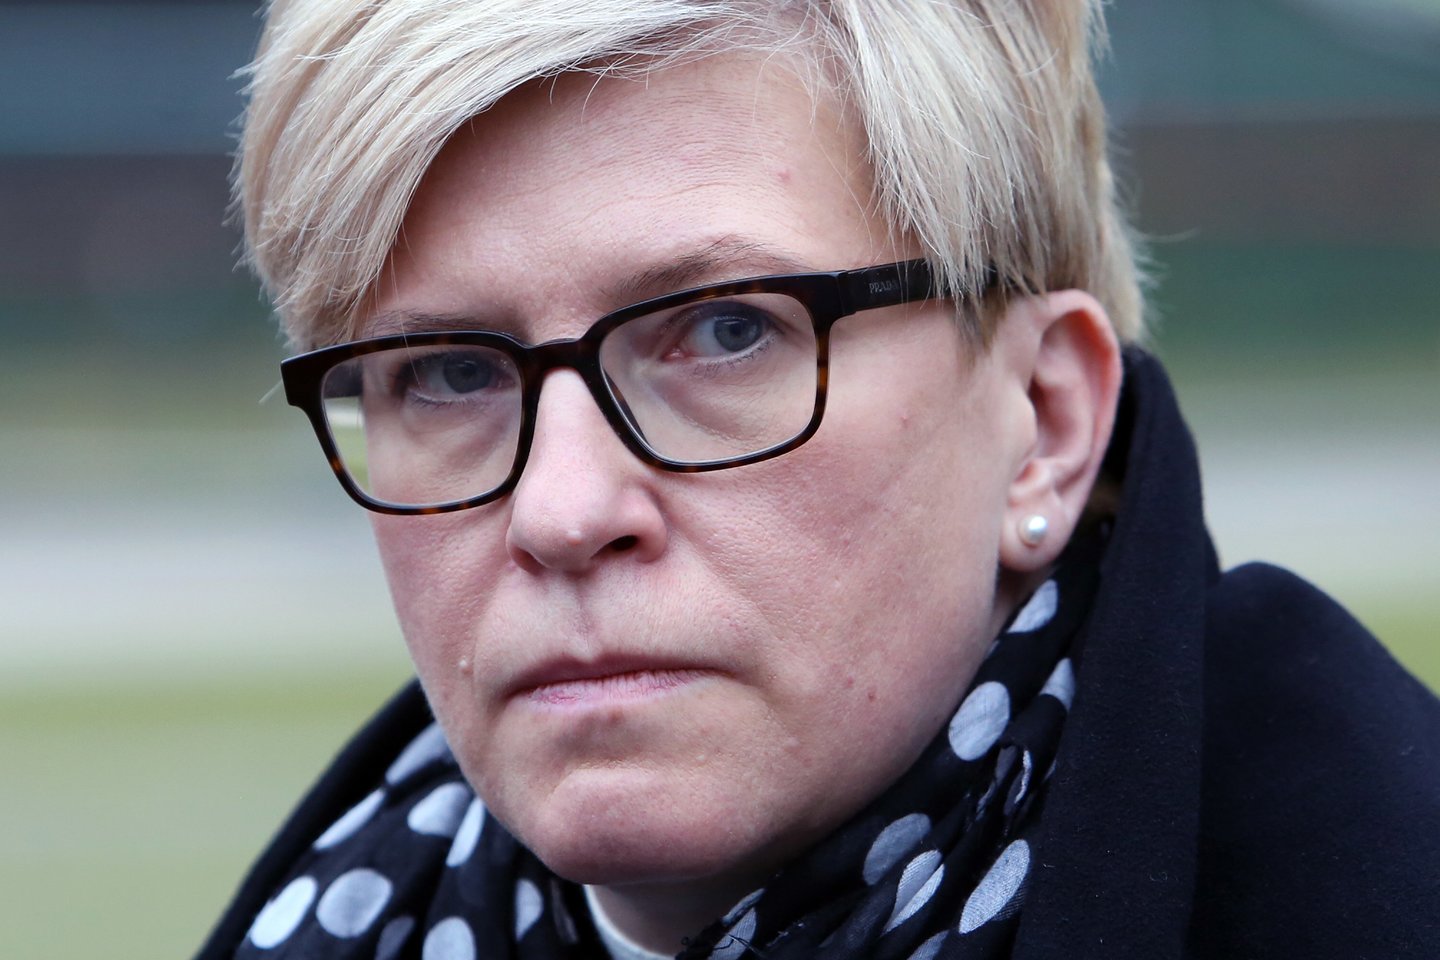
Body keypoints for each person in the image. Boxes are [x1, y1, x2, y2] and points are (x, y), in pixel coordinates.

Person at [196, 2, 1440, 958]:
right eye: (448, 373)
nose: (563, 511)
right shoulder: (346, 916)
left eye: (727, 330)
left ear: (1046, 423)